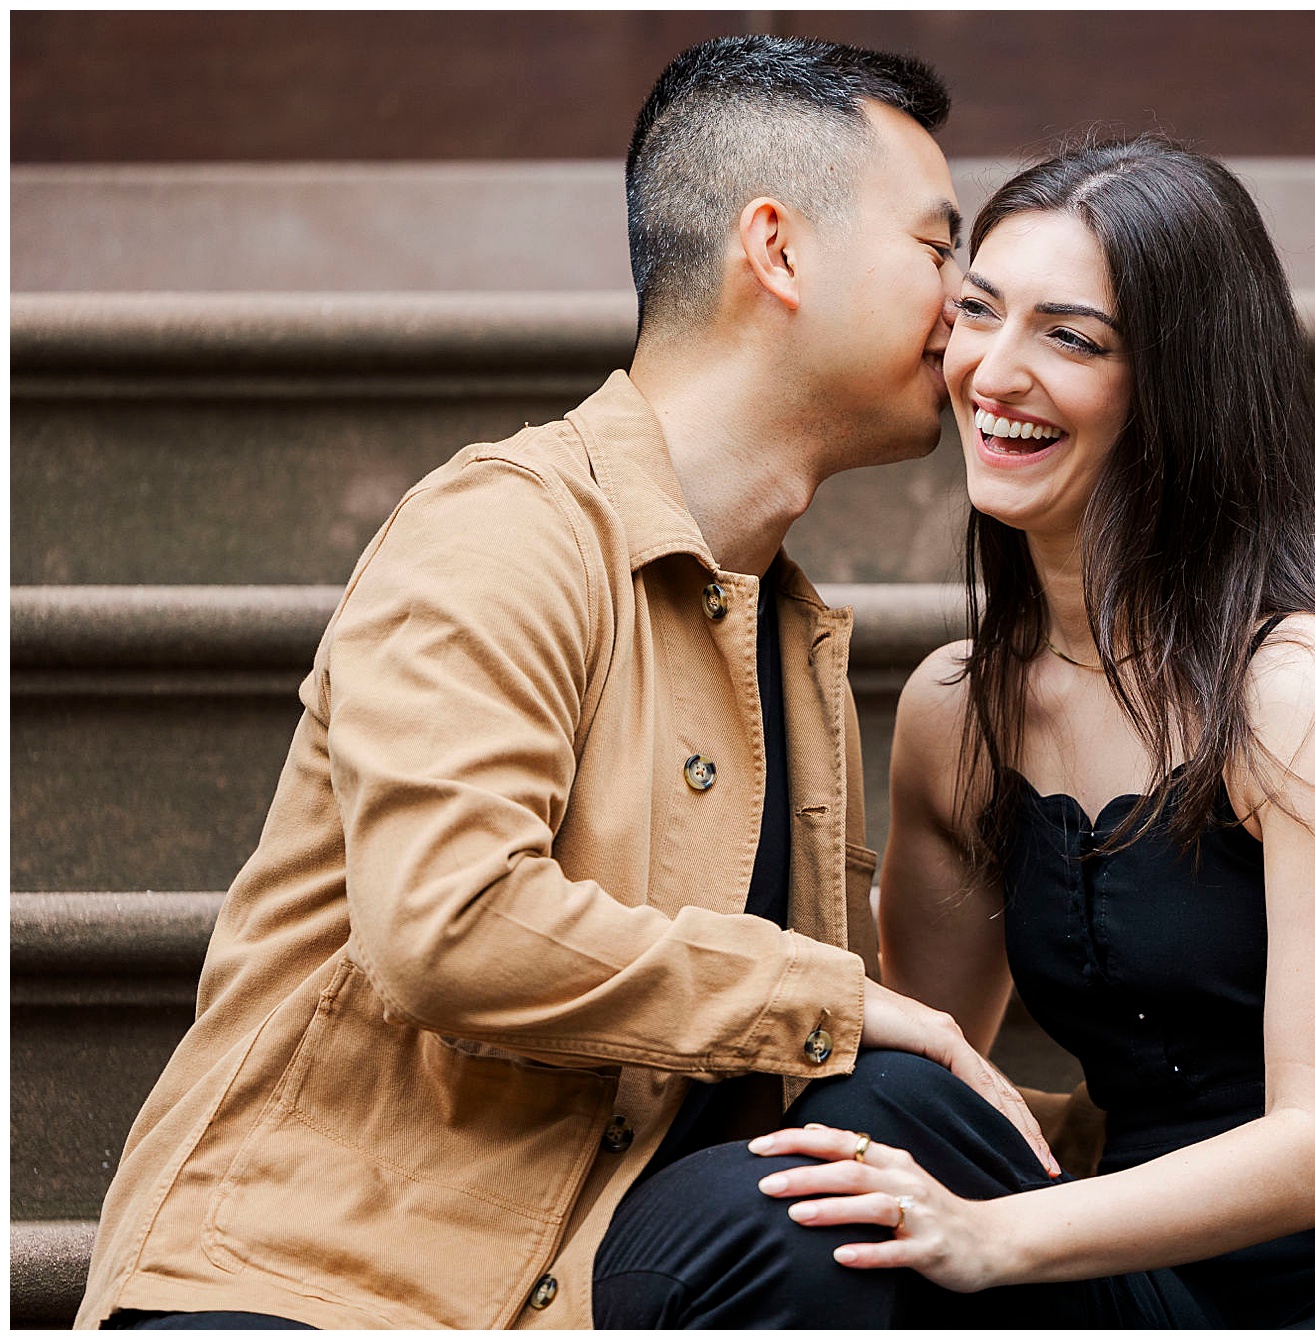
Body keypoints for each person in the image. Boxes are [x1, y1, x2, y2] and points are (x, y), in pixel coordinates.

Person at [75, 36, 1062, 1331]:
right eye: (941, 252)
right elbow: (449, 922)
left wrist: (1223, 1153)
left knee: (877, 1152)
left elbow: (802, 1091)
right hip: (313, 1293)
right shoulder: (507, 527)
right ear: (778, 249)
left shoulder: (785, 633)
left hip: (589, 1279)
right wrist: (826, 1000)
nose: (965, 313)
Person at [738, 137, 1315, 1326]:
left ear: (1180, 384)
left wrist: (994, 1229)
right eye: (977, 309)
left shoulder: (1296, 691)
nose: (994, 370)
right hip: (1147, 1272)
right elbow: (938, 1072)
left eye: (1071, 337)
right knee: (872, 1126)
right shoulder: (957, 712)